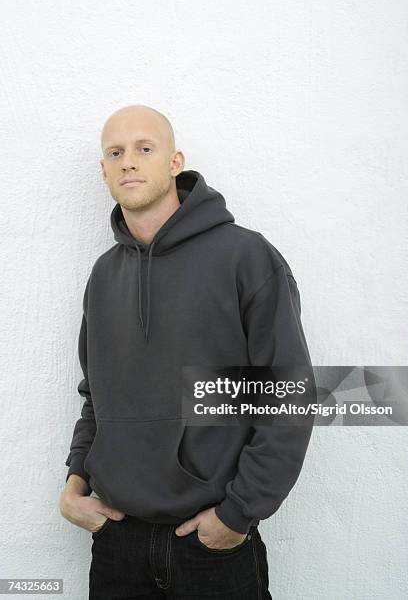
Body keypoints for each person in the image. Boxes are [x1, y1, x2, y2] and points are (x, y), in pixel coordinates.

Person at [59, 104, 316, 599]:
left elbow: (289, 396)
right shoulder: (103, 276)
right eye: (116, 152)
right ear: (104, 170)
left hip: (211, 550)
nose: (129, 161)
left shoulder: (245, 256)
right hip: (117, 546)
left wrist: (237, 514)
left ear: (175, 162)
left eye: (144, 148)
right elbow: (97, 396)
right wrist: (75, 480)